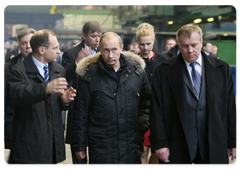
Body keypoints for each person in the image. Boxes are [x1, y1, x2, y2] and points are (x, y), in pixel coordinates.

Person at [150, 23, 237, 165]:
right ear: (178, 44)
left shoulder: (222, 69)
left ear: (202, 42)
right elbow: (156, 110)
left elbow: (230, 107)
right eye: (185, 46)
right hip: (177, 143)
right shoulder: (164, 71)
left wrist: (234, 140)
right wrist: (160, 142)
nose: (190, 50)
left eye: (194, 45)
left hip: (212, 143)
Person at [72, 32, 151, 164]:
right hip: (101, 144)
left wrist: (141, 124)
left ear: (121, 47)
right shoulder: (89, 76)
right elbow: (81, 112)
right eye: (106, 50)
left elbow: (147, 101)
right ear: (99, 49)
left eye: (114, 50)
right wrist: (79, 144)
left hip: (130, 142)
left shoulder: (136, 73)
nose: (110, 55)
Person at [7, 29, 76, 164]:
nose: (58, 51)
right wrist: (46, 88)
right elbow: (19, 95)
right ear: (42, 50)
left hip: (52, 143)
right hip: (29, 143)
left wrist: (64, 101)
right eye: (55, 48)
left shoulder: (58, 70)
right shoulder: (18, 71)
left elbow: (54, 105)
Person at [62, 20, 102, 165]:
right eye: (93, 36)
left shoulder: (105, 53)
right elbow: (65, 78)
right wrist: (78, 62)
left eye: (99, 36)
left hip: (98, 108)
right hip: (79, 107)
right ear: (84, 36)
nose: (97, 39)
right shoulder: (71, 54)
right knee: (79, 156)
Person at [136, 23, 167, 165]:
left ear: (153, 42)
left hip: (159, 113)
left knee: (156, 151)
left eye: (148, 44)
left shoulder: (163, 61)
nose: (145, 47)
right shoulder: (133, 62)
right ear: (137, 43)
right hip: (139, 113)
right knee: (142, 151)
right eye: (142, 44)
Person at [2, 28, 37, 152]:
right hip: (15, 123)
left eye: (30, 42)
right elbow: (2, 100)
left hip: (37, 124)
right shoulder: (8, 69)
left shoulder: (46, 67)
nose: (27, 46)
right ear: (19, 45)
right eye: (23, 43)